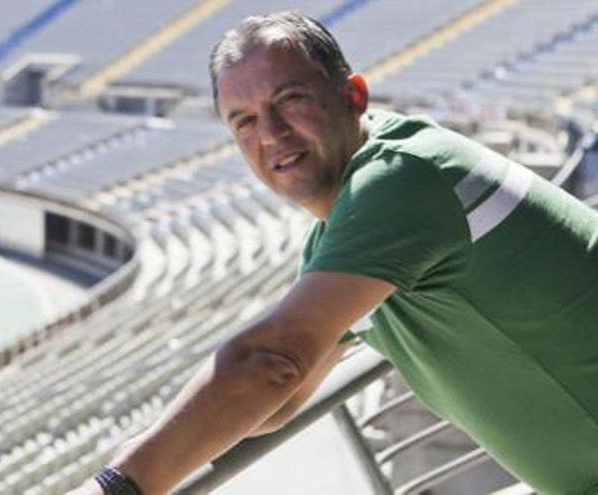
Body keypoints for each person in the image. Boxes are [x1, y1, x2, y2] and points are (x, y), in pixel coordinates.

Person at [70, 11, 598, 495]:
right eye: (245, 121)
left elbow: (272, 362)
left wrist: (118, 485)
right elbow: (286, 397)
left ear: (353, 95)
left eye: (290, 100)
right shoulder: (357, 213)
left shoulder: (400, 178)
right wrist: (144, 450)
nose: (271, 134)